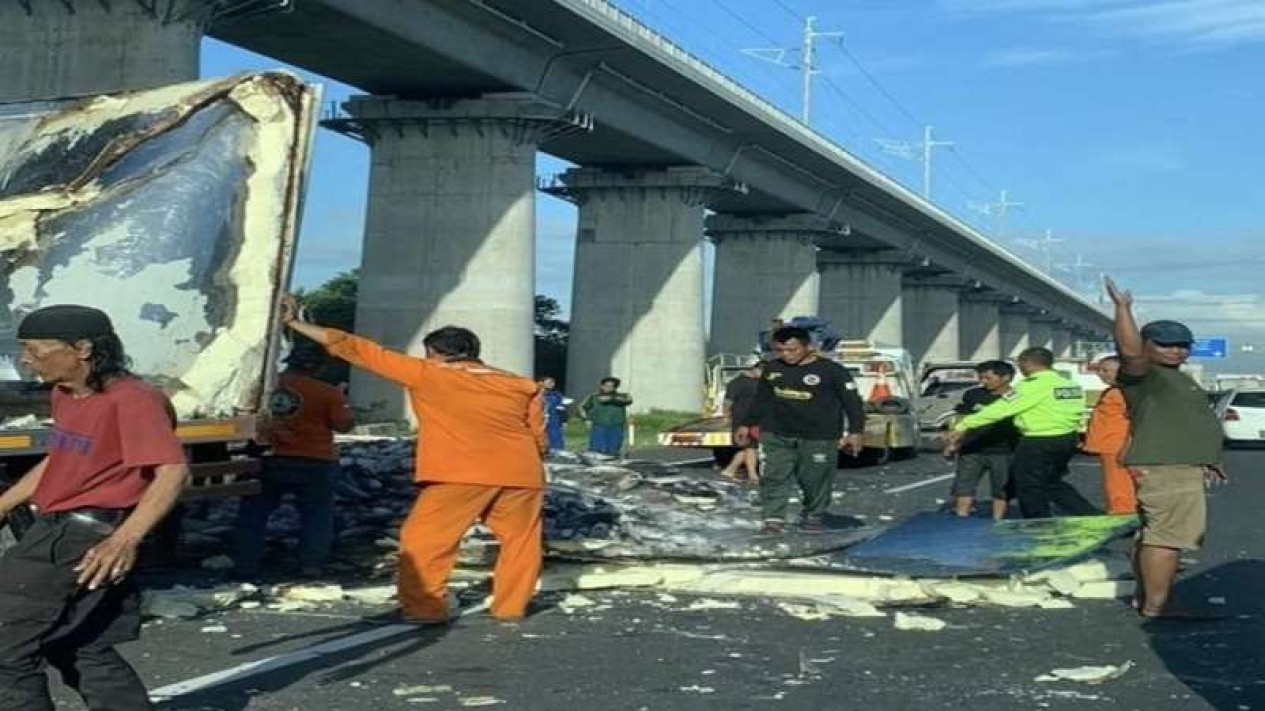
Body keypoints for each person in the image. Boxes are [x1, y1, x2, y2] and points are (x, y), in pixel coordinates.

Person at [280, 295, 547, 623]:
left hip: (461, 473)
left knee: (425, 541)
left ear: (434, 353)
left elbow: (360, 350)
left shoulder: (428, 372)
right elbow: (539, 438)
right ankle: (511, 607)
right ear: (473, 352)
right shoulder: (520, 385)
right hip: (523, 472)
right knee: (521, 541)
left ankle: (425, 609)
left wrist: (293, 323)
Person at [0, 305, 190, 711]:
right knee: (80, 644)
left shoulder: (133, 400)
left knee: (5, 644)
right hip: (59, 525)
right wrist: (5, 502)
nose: (26, 359)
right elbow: (62, 458)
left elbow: (172, 471)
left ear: (82, 348)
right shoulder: (64, 394)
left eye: (35, 349)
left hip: (84, 534)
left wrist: (125, 539)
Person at [1104, 278, 1226, 620]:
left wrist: (1210, 457)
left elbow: (1186, 422)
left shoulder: (1176, 376)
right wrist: (1123, 309)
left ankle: (1148, 598)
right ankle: (1159, 605)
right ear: (1147, 346)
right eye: (1166, 344)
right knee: (1168, 537)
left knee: (1153, 533)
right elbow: (1129, 353)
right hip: (1166, 468)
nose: (1176, 351)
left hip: (1173, 463)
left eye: (1183, 345)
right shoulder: (1145, 374)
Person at [233, 344, 355, 578]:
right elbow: (344, 425)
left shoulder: (263, 388)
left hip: (267, 457)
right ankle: (311, 565)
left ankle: (244, 565)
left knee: (253, 514)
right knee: (316, 515)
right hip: (314, 460)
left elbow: (244, 414)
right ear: (320, 367)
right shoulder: (328, 392)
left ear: (289, 361)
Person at [735, 326, 865, 532]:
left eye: (792, 350)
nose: (786, 355)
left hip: (819, 435)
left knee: (814, 478)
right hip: (777, 432)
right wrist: (746, 424)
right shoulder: (772, 369)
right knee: (774, 475)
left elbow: (852, 402)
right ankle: (773, 519)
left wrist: (856, 432)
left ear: (808, 347)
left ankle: (814, 514)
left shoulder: (832, 371)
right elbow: (761, 400)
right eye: (780, 350)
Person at [946, 347, 1097, 519]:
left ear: (1027, 363)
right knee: (1050, 482)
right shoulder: (1069, 385)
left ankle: (1037, 522)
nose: (1020, 369)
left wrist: (963, 425)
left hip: (1039, 440)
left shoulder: (1031, 386)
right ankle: (1088, 513)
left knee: (1028, 485)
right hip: (1067, 438)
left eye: (1020, 364)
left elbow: (1000, 409)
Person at [945, 360, 1019, 520]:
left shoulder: (1018, 397)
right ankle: (961, 517)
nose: (983, 382)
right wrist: (952, 443)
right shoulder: (973, 395)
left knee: (1001, 489)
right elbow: (961, 419)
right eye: (981, 378)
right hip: (972, 449)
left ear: (1006, 377)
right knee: (964, 487)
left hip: (1005, 451)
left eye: (988, 378)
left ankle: (997, 520)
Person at [1083, 353, 1137, 515]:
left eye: (1106, 370)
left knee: (1118, 484)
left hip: (1117, 445)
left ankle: (1123, 514)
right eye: (1100, 370)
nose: (1101, 374)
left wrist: (1127, 446)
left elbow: (1136, 420)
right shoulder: (1115, 391)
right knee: (1118, 483)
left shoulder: (1123, 393)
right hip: (1110, 444)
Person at [720, 362, 763, 483]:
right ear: (754, 369)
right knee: (750, 447)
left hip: (756, 419)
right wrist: (726, 416)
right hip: (741, 420)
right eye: (762, 372)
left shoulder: (759, 382)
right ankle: (752, 475)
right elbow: (728, 401)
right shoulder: (737, 383)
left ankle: (730, 470)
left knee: (748, 447)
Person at [580, 377, 632, 457]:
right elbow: (582, 407)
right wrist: (586, 419)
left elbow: (629, 400)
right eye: (606, 386)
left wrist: (611, 398)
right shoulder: (594, 396)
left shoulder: (623, 396)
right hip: (599, 425)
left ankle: (613, 464)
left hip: (616, 425)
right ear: (602, 386)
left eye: (611, 386)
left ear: (615, 387)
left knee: (614, 449)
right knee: (596, 449)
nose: (608, 388)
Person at [539, 376, 568, 453]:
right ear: (542, 383)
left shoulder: (557, 395)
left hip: (554, 420)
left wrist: (564, 420)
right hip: (539, 420)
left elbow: (563, 408)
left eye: (552, 382)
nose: (551, 384)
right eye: (548, 382)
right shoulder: (538, 394)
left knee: (556, 438)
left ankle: (557, 453)